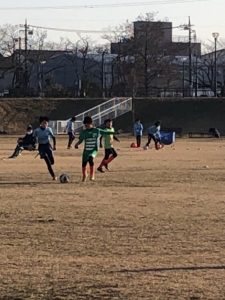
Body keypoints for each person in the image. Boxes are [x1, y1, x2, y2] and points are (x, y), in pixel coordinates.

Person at [75, 116, 117, 182]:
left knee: (90, 159)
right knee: (84, 163)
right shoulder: (84, 132)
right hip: (86, 150)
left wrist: (114, 132)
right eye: (85, 124)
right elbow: (81, 140)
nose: (86, 125)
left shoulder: (96, 130)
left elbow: (106, 132)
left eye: (87, 124)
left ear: (91, 123)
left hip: (93, 150)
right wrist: (77, 144)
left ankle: (92, 175)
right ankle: (85, 175)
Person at [33, 116, 57, 181]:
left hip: (48, 146)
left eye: (46, 123)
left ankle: (50, 164)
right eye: (43, 123)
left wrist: (54, 146)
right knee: (47, 161)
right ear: (40, 123)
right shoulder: (37, 130)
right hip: (41, 147)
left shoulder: (49, 129)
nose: (45, 124)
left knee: (52, 162)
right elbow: (33, 139)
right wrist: (33, 145)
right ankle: (54, 176)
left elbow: (53, 137)